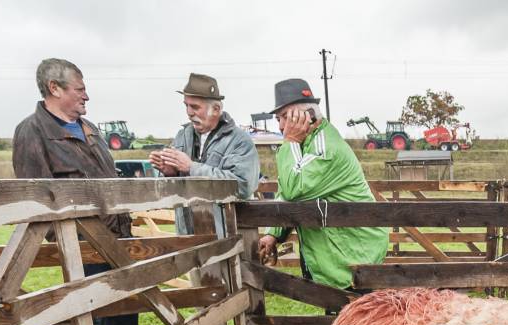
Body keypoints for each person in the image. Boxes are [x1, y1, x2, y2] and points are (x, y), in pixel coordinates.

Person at [12, 57, 139, 325]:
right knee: (87, 323)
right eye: (79, 89)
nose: (86, 95)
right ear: (54, 88)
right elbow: (35, 198)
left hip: (118, 239)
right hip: (81, 248)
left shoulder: (91, 129)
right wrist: (68, 242)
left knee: (125, 313)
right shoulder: (32, 132)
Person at [257, 79, 388, 290]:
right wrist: (274, 233)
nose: (281, 126)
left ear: (307, 116)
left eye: (284, 117)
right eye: (278, 119)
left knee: (353, 318)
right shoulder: (307, 144)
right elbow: (288, 190)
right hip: (338, 252)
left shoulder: (325, 148)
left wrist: (290, 141)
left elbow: (294, 188)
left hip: (352, 255)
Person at [150, 72, 259, 235]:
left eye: (194, 107)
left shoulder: (239, 141)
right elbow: (171, 192)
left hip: (227, 241)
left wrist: (191, 167)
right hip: (187, 238)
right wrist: (170, 174)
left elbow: (243, 186)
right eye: (185, 105)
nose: (188, 112)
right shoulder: (182, 137)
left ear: (216, 109)